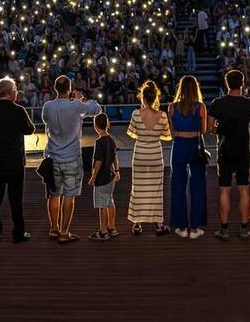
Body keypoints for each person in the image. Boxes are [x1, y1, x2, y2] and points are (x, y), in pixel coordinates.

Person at [42, 74, 101, 244]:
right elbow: (97, 109)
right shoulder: (76, 105)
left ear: (55, 88)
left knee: (54, 194)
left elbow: (45, 120)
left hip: (53, 156)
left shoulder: (48, 106)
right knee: (69, 196)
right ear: (69, 89)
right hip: (72, 157)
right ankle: (64, 231)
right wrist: (81, 99)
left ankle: (54, 228)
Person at [0, 76, 35, 244]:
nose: (16, 93)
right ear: (9, 92)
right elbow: (29, 130)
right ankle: (18, 233)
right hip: (14, 162)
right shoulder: (18, 110)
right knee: (15, 200)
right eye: (14, 90)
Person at [209, 69, 250, 240]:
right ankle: (244, 228)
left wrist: (219, 128)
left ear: (226, 83)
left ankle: (224, 229)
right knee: (244, 190)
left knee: (225, 190)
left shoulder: (217, 104)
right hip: (243, 149)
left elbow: (210, 128)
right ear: (242, 83)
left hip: (225, 149)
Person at [127, 80, 171, 236]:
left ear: (142, 97)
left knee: (138, 189)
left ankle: (137, 224)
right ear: (155, 98)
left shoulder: (135, 114)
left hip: (140, 154)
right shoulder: (162, 115)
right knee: (156, 190)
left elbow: (132, 133)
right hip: (155, 154)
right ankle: (159, 224)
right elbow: (166, 136)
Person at [167, 75, 208, 238]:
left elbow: (171, 133)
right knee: (198, 185)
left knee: (178, 185)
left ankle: (181, 226)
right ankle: (196, 227)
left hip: (178, 145)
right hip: (195, 146)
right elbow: (203, 131)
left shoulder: (172, 107)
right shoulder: (201, 107)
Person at [88, 113, 120, 241]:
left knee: (102, 205)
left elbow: (98, 161)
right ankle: (112, 228)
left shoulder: (99, 142)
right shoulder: (111, 140)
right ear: (108, 124)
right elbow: (114, 157)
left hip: (102, 178)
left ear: (95, 126)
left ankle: (103, 231)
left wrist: (93, 176)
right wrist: (117, 171)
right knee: (110, 201)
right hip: (111, 175)